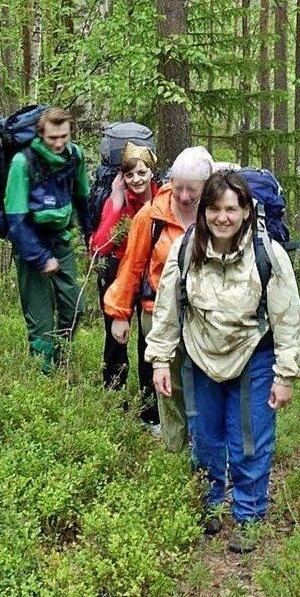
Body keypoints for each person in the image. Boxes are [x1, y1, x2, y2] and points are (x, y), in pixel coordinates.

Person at [147, 171, 300, 553]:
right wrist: (160, 360)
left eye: (231, 209)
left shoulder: (268, 255)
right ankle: (209, 506)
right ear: (203, 212)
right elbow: (168, 309)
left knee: (249, 441)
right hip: (200, 357)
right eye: (214, 209)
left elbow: (288, 318)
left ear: (247, 211)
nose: (222, 217)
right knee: (204, 439)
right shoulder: (186, 250)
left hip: (254, 357)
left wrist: (285, 375)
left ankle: (249, 516)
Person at [102, 146, 214, 448]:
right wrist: (119, 314)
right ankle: (174, 445)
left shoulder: (216, 214)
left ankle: (205, 449)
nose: (185, 196)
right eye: (179, 188)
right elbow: (131, 267)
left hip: (206, 316)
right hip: (158, 314)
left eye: (193, 190)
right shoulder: (151, 216)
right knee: (168, 384)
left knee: (205, 382)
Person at [4, 107, 93, 373]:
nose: (58, 143)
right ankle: (44, 375)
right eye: (52, 137)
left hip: (61, 242)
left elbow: (82, 198)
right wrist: (42, 258)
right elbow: (16, 220)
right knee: (41, 321)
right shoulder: (23, 162)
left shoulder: (75, 156)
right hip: (31, 246)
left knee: (76, 307)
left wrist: (91, 236)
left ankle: (61, 354)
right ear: (40, 134)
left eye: (63, 136)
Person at [89, 142, 160, 423]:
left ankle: (150, 410)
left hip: (150, 276)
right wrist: (117, 204)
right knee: (116, 340)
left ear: (152, 172)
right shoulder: (116, 201)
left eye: (142, 172)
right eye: (130, 175)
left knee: (149, 342)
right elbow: (99, 246)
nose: (137, 180)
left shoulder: (162, 201)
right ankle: (113, 400)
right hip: (117, 273)